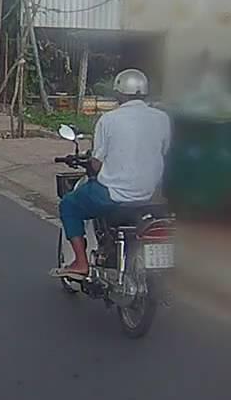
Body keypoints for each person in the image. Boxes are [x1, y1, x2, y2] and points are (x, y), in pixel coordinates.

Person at [51, 68, 172, 280]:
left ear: (119, 93)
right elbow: (165, 151)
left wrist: (97, 165)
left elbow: (96, 162)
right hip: (150, 194)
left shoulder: (108, 120)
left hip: (114, 195)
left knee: (68, 205)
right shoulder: (162, 118)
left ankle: (81, 263)